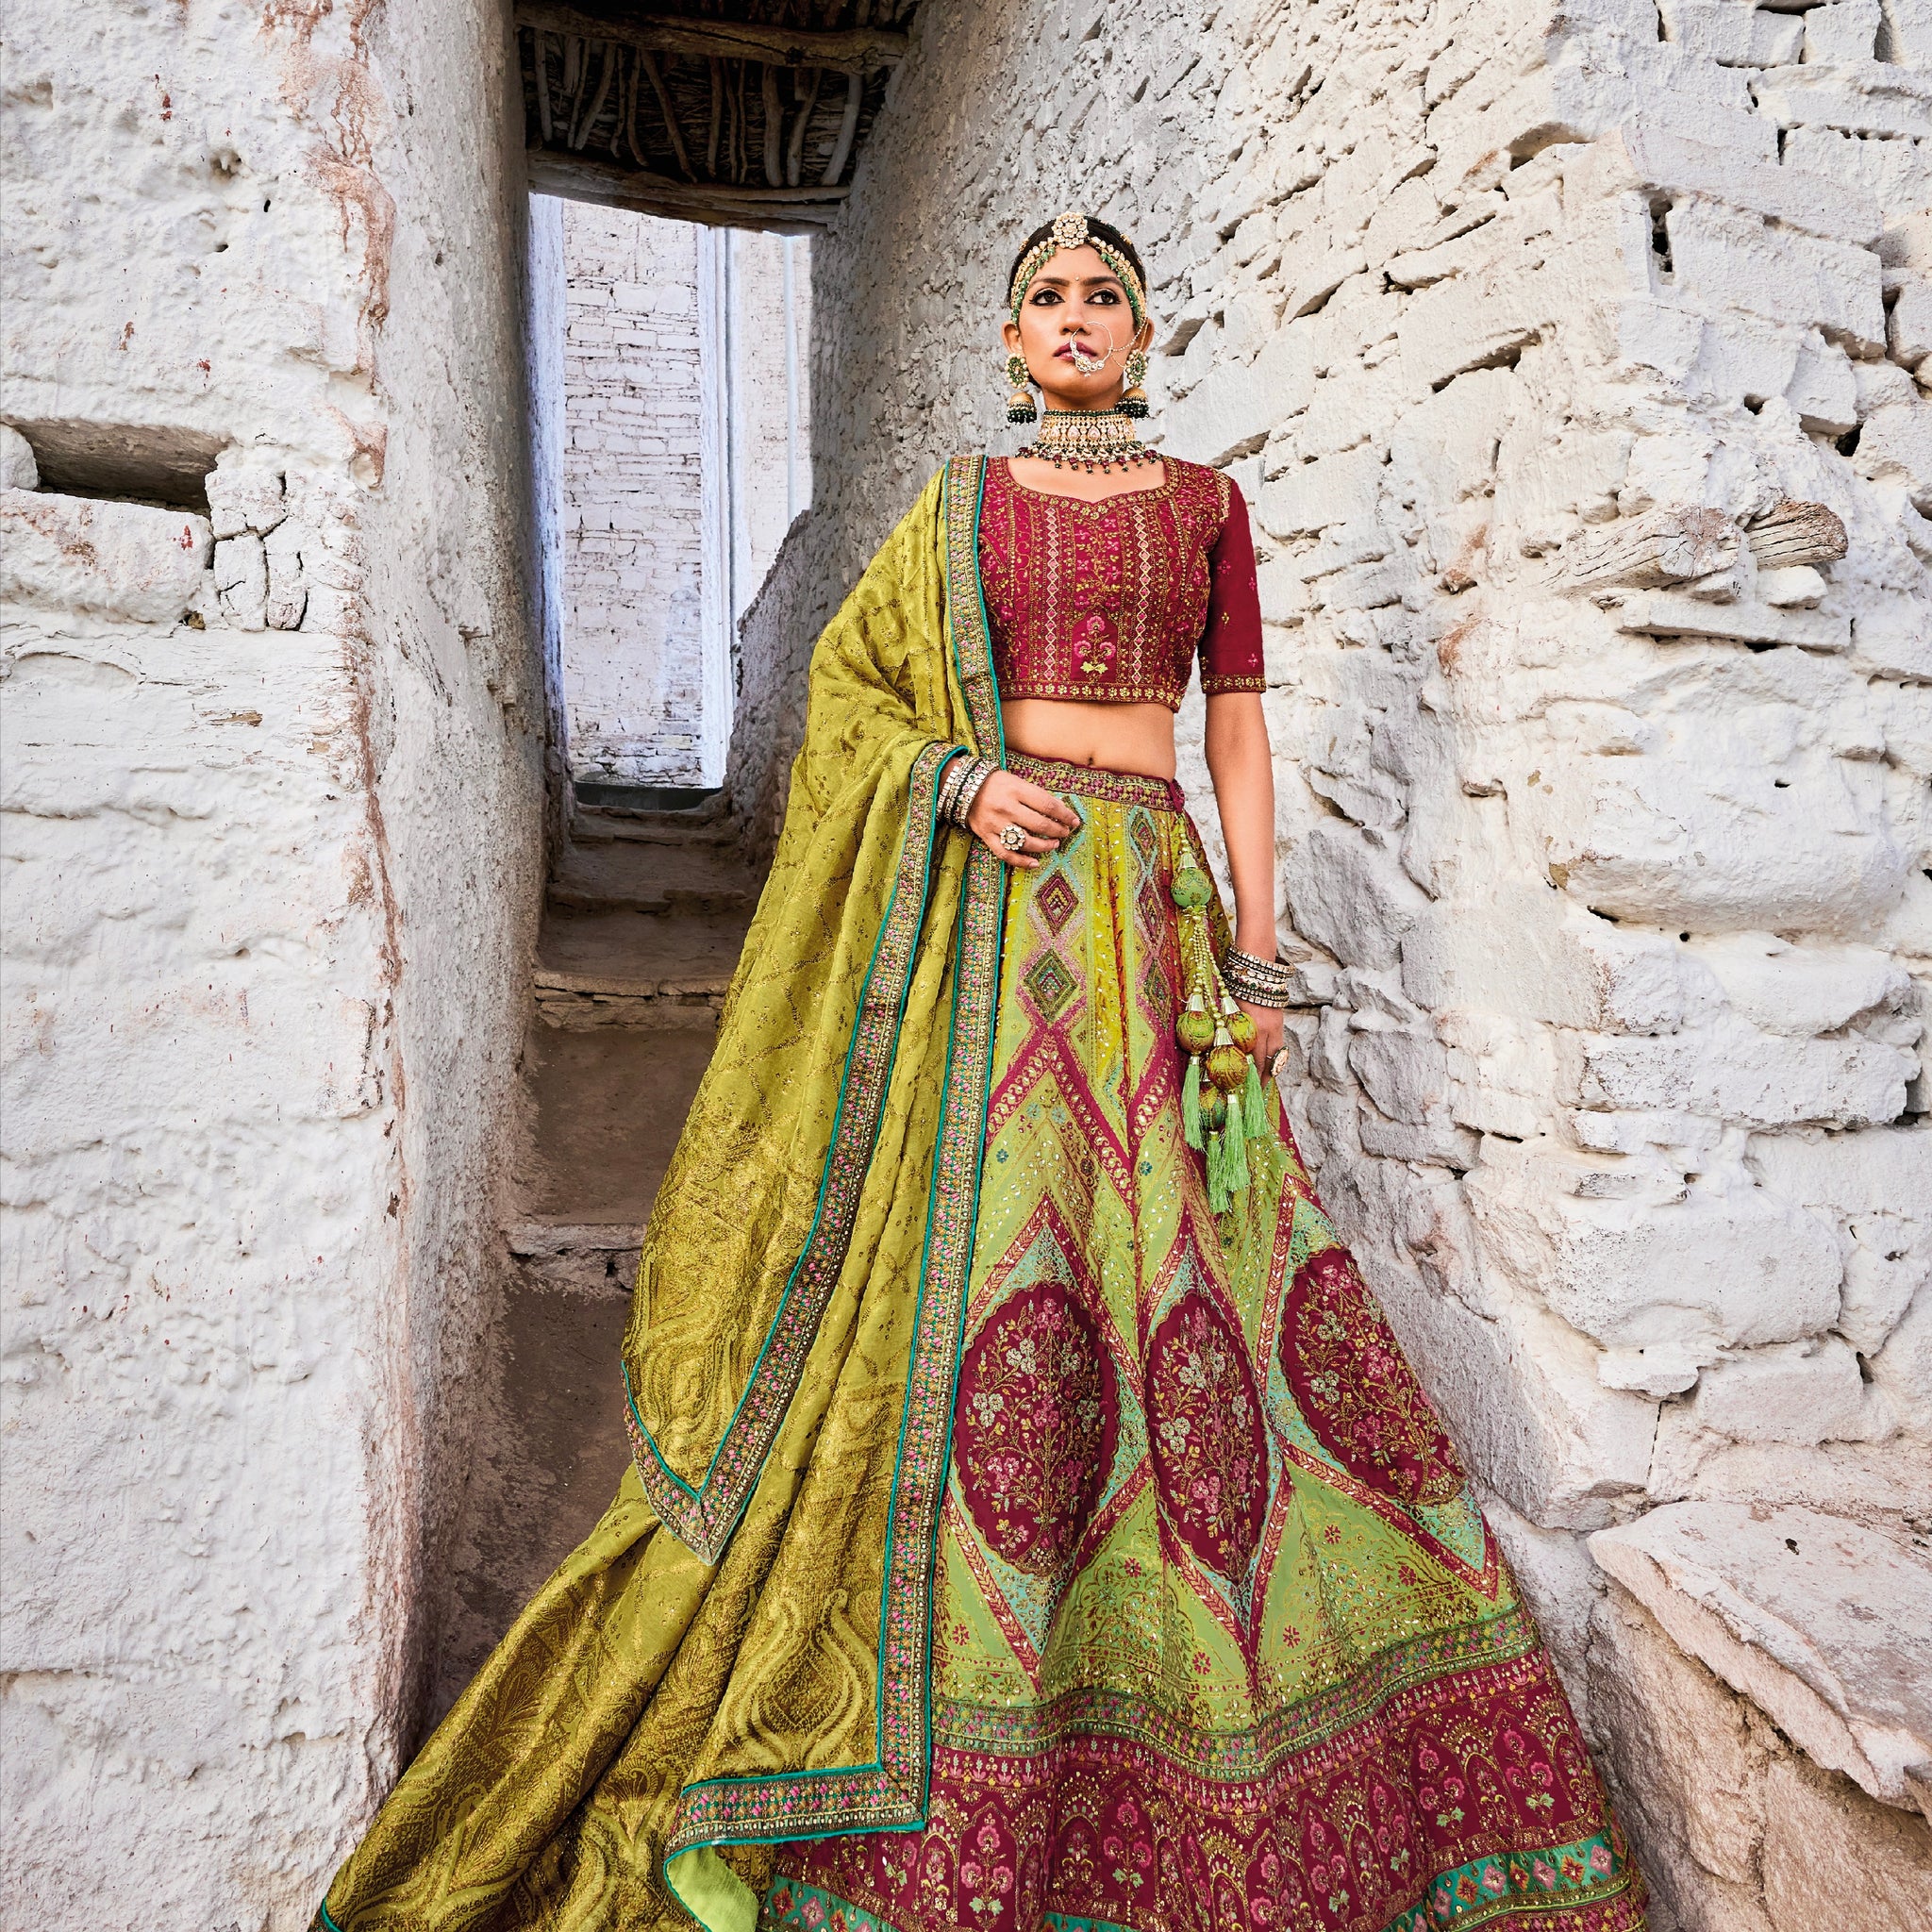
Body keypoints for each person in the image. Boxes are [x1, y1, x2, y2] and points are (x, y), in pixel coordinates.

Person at [315, 211, 1645, 1932]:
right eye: (1046, 300)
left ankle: (1189, 1673)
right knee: (990, 1263)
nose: (1074, 319)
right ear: (1011, 342)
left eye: (1103, 297)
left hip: (1152, 909)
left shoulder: (1207, 509)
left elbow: (1235, 727)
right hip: (996, 927)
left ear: (1141, 332)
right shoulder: (963, 511)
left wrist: (1255, 948)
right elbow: (856, 692)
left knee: (1195, 1265)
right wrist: (949, 781)